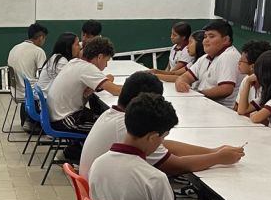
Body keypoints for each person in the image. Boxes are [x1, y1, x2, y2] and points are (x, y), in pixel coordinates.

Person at [80, 71, 245, 179]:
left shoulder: (114, 115)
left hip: (98, 190)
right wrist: (218, 158)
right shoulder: (125, 126)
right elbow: (175, 166)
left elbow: (163, 145)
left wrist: (213, 150)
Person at [89, 93, 194, 200]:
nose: (162, 142)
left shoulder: (98, 163)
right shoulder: (154, 178)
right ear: (153, 137)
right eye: (163, 137)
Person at [44, 36, 121, 155]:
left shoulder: (75, 62)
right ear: (99, 57)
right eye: (106, 61)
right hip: (64, 119)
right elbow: (116, 91)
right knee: (106, 130)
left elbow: (90, 90)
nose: (106, 65)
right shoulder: (88, 68)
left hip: (59, 114)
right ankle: (75, 152)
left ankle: (77, 148)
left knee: (104, 120)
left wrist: (102, 83)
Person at [174, 20, 242, 107]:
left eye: (211, 36)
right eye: (205, 37)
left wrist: (197, 94)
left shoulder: (229, 56)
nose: (206, 40)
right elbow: (185, 77)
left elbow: (225, 89)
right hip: (204, 103)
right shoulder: (205, 58)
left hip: (222, 110)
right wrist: (180, 82)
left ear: (225, 40)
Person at [7, 23, 48, 126]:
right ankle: (39, 122)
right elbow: (44, 75)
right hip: (29, 92)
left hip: (15, 90)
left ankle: (26, 119)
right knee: (50, 89)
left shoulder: (15, 48)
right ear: (41, 37)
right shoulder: (38, 51)